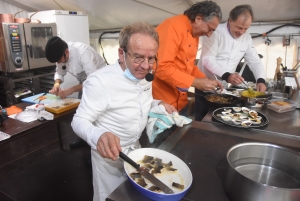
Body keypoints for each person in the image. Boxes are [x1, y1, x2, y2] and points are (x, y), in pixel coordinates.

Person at [71, 22, 176, 201]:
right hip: (109, 158)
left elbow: (141, 101)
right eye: (138, 57)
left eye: (151, 58)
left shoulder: (143, 74)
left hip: (136, 150)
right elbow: (79, 120)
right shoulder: (99, 82)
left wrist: (157, 103)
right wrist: (98, 135)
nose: (146, 66)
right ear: (121, 53)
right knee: (112, 197)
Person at [195, 4, 267, 121]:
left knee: (220, 118)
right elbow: (207, 59)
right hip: (204, 83)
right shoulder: (215, 31)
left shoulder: (246, 38)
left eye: (246, 28)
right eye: (239, 27)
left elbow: (255, 61)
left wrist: (261, 80)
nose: (242, 32)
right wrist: (227, 75)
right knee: (203, 119)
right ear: (230, 20)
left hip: (223, 86)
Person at [152, 1, 223, 117]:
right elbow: (160, 67)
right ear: (198, 19)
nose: (209, 34)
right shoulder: (172, 26)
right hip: (164, 103)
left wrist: (206, 80)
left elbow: (188, 66)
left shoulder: (194, 34)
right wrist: (195, 82)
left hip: (181, 102)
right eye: (210, 29)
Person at [45, 36, 107, 149]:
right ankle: (83, 139)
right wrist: (57, 84)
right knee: (82, 112)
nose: (59, 63)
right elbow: (59, 71)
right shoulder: (61, 54)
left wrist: (71, 90)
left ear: (67, 52)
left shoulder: (84, 53)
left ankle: (96, 145)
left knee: (97, 115)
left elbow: (92, 81)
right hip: (85, 82)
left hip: (101, 82)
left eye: (59, 60)